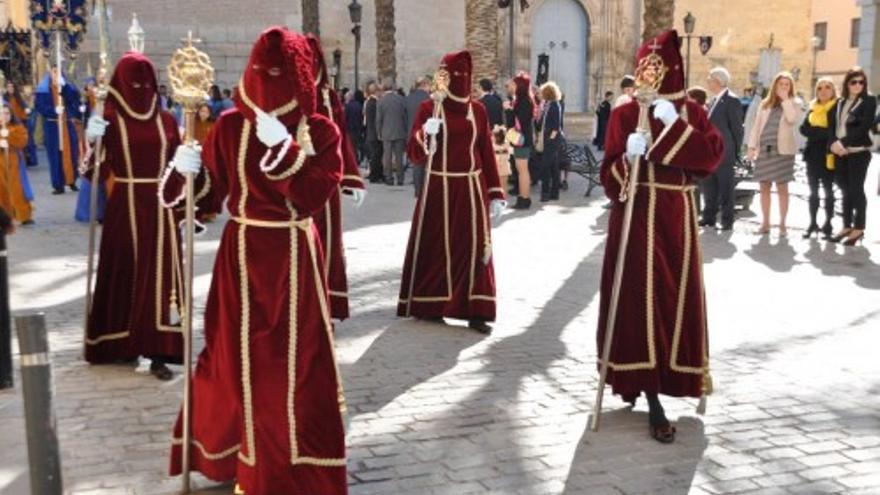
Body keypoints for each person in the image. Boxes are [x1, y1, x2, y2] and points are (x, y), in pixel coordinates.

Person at [162, 27, 347, 494]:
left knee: (294, 367)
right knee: (232, 361)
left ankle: (292, 465)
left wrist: (282, 149)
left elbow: (310, 196)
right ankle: (233, 454)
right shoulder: (227, 127)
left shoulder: (319, 130)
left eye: (280, 72)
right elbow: (205, 199)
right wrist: (185, 172)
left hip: (292, 259)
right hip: (240, 258)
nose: (268, 81)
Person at [597, 29, 723, 444]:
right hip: (635, 218)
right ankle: (647, 393)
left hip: (676, 217)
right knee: (637, 301)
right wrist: (627, 160)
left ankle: (674, 377)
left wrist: (674, 128)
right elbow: (611, 179)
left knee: (674, 300)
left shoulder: (692, 113)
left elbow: (707, 160)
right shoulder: (623, 114)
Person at [80, 51, 184, 381]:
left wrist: (185, 200)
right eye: (133, 81)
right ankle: (122, 342)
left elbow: (178, 164)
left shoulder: (167, 120)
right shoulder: (110, 120)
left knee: (159, 279)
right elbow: (90, 172)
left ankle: (158, 350)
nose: (140, 88)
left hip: (160, 208)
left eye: (146, 81)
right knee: (125, 272)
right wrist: (92, 139)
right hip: (125, 206)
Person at [400, 50, 507, 334]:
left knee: (474, 249)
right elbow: (413, 151)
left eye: (463, 75)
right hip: (438, 186)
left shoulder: (479, 111)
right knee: (436, 245)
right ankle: (431, 304)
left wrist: (496, 193)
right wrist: (426, 134)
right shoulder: (429, 108)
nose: (458, 80)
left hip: (471, 188)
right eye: (452, 74)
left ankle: (476, 310)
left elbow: (485, 151)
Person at [307, 34, 366, 320]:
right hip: (287, 181)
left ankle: (326, 306)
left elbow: (341, 136)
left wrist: (351, 177)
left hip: (326, 183)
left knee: (326, 241)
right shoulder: (280, 95)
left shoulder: (329, 97)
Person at [747, 72, 802, 237]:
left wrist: (785, 99)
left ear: (791, 87)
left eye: (787, 84)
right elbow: (756, 127)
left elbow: (792, 119)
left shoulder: (794, 102)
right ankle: (765, 223)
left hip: (783, 151)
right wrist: (751, 147)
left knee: (782, 188)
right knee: (764, 187)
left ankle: (783, 225)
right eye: (781, 84)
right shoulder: (765, 104)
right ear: (775, 86)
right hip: (765, 150)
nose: (784, 87)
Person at [828, 67, 876, 246]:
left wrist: (843, 143)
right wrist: (834, 144)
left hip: (859, 153)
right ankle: (846, 226)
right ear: (847, 83)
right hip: (841, 153)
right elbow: (832, 126)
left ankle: (859, 228)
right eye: (854, 82)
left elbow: (864, 126)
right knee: (844, 189)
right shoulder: (840, 102)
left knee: (856, 189)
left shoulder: (869, 101)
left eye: (861, 82)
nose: (858, 85)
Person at [701, 67, 744, 231]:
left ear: (718, 81)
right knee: (709, 185)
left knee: (726, 187)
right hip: (709, 152)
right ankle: (708, 217)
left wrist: (735, 151)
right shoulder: (713, 101)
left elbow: (737, 129)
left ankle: (727, 220)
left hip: (724, 152)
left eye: (710, 79)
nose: (708, 81)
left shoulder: (732, 100)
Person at [799, 77, 838, 240]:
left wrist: (816, 132)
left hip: (829, 155)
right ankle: (812, 223)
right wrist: (821, 132)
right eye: (820, 88)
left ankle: (828, 224)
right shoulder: (812, 108)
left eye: (827, 87)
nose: (823, 90)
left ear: (833, 90)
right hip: (812, 155)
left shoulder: (837, 108)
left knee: (829, 191)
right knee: (813, 192)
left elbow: (834, 131)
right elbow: (803, 129)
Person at [35, 67, 81, 194]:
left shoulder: (65, 87)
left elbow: (74, 99)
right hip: (53, 126)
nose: (56, 74)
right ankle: (58, 185)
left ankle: (72, 181)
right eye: (54, 71)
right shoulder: (43, 90)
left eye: (58, 72)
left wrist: (65, 86)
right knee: (55, 156)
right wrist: (53, 111)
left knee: (72, 152)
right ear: (50, 73)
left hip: (66, 125)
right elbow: (39, 106)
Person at [506, 72, 535, 209]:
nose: (509, 85)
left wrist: (508, 111)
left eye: (512, 83)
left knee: (522, 170)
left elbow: (519, 123)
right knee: (521, 170)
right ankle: (523, 198)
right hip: (522, 140)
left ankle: (524, 199)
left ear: (519, 86)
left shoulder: (524, 102)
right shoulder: (522, 100)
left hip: (522, 140)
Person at [0, 104, 34, 225]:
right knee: (2, 188)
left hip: (14, 160)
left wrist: (9, 135)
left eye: (7, 113)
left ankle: (23, 215)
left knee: (17, 187)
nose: (5, 116)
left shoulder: (18, 127)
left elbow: (23, 141)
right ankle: (5, 216)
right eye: (2, 113)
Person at [376, 80, 408, 186]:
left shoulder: (381, 101)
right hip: (400, 131)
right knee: (399, 157)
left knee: (387, 157)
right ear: (393, 88)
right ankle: (400, 179)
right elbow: (405, 116)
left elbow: (378, 119)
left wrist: (379, 132)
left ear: (384, 88)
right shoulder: (401, 99)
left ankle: (389, 178)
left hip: (386, 132)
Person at [538, 81, 564, 202]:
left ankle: (545, 193)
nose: (540, 94)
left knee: (545, 166)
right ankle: (555, 193)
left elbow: (556, 126)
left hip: (552, 141)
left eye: (542, 92)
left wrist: (550, 139)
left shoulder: (554, 105)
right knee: (553, 167)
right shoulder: (548, 104)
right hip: (548, 139)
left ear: (547, 93)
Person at [406, 78, 432, 196]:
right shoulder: (429, 99)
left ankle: (418, 190)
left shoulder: (407, 98)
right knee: (428, 164)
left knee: (417, 163)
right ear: (425, 85)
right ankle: (427, 190)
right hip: (427, 133)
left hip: (412, 133)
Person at [6, 80, 38, 167]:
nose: (10, 89)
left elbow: (24, 106)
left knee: (27, 141)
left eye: (12, 87)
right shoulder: (5, 99)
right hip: (11, 122)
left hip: (21, 121)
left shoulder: (18, 97)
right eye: (8, 87)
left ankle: (28, 160)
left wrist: (26, 110)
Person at [364, 82, 384, 183]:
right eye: (380, 91)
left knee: (376, 155)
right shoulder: (374, 103)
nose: (381, 93)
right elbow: (376, 120)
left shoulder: (370, 102)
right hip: (375, 134)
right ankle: (375, 176)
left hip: (372, 133)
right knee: (376, 156)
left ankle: (377, 174)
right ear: (376, 91)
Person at [345, 89, 365, 166]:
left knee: (352, 147)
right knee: (357, 145)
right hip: (358, 128)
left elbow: (345, 118)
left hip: (351, 129)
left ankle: (355, 161)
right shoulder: (359, 105)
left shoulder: (348, 106)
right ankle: (359, 158)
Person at [492, 124, 511, 192]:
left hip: (497, 167)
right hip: (503, 168)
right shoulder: (507, 144)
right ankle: (503, 199)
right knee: (503, 186)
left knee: (499, 186)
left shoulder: (492, 145)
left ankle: (502, 199)